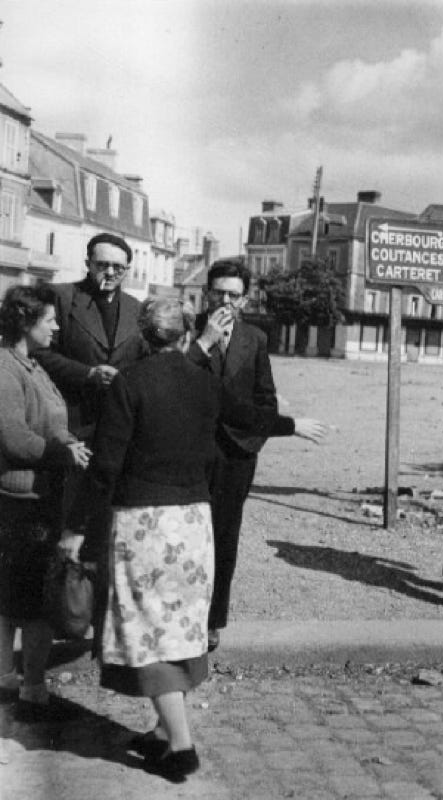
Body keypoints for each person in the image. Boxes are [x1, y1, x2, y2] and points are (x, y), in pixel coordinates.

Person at [61, 297, 277, 782]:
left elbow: (106, 466)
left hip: (144, 524)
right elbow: (248, 416)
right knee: (178, 626)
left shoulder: (130, 382)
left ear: (142, 336)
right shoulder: (205, 381)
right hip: (193, 522)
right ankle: (162, 730)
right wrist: (292, 425)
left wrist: (76, 527)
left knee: (147, 628)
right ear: (186, 334)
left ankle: (181, 746)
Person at [188, 260, 326, 651]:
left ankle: (212, 620)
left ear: (245, 300)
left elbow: (265, 396)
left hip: (236, 455)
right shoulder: (187, 329)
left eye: (234, 295)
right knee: (188, 536)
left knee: (224, 538)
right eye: (219, 293)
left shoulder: (254, 338)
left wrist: (253, 442)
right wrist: (204, 341)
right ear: (207, 294)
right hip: (191, 451)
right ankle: (183, 614)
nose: (225, 301)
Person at [0, 285, 91, 721]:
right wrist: (63, 453)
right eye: (50, 320)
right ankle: (29, 688)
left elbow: (52, 421)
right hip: (21, 501)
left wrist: (71, 442)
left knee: (19, 598)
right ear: (25, 322)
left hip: (41, 496)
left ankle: (13, 679)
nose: (56, 327)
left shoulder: (33, 365)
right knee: (31, 602)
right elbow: (13, 437)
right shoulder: (5, 368)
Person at [34, 232, 147, 440]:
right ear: (88, 264)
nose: (110, 273)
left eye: (118, 267)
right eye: (102, 265)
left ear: (127, 270)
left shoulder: (137, 309)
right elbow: (39, 353)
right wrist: (88, 373)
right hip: (70, 421)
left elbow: (144, 361)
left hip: (119, 426)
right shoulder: (61, 297)